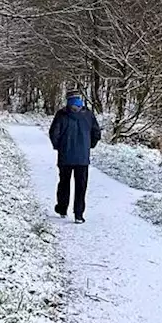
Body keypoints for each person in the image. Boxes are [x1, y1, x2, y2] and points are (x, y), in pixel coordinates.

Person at [49, 90, 101, 223]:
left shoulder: (62, 114)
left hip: (65, 157)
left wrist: (58, 146)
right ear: (80, 100)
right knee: (81, 186)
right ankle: (79, 214)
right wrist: (89, 146)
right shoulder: (88, 115)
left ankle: (62, 209)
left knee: (64, 183)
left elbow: (54, 133)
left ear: (68, 100)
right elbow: (96, 133)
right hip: (82, 158)